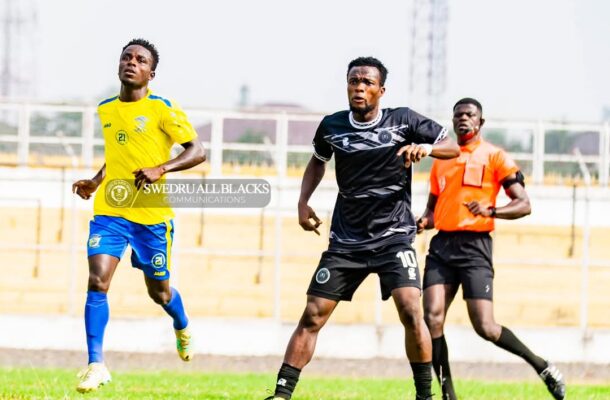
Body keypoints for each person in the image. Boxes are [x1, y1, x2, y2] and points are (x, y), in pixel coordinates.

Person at [264, 57, 460, 400]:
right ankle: (281, 395)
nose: (359, 87)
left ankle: (425, 396)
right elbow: (318, 161)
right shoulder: (332, 126)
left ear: (380, 90)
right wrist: (302, 201)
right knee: (312, 314)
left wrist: (426, 148)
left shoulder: (404, 120)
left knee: (412, 309)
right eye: (354, 81)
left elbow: (453, 147)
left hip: (394, 238)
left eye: (367, 82)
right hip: (346, 241)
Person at [71, 38, 205, 393]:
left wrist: (162, 168)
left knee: (159, 293)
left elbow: (197, 151)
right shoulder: (106, 109)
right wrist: (96, 181)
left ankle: (181, 324)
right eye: (126, 57)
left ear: (151, 72)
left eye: (140, 59)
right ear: (119, 65)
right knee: (97, 281)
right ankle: (96, 364)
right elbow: (118, 155)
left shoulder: (162, 108)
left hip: (152, 218)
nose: (132, 62)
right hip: (111, 213)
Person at [417, 97, 566, 400]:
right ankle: (448, 395)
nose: (463, 119)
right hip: (442, 246)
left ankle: (542, 366)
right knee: (431, 318)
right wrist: (421, 221)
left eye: (469, 115)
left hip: (476, 247)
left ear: (480, 122)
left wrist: (492, 211)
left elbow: (524, 204)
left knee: (485, 326)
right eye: (458, 115)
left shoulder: (495, 157)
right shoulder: (442, 159)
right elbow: (432, 212)